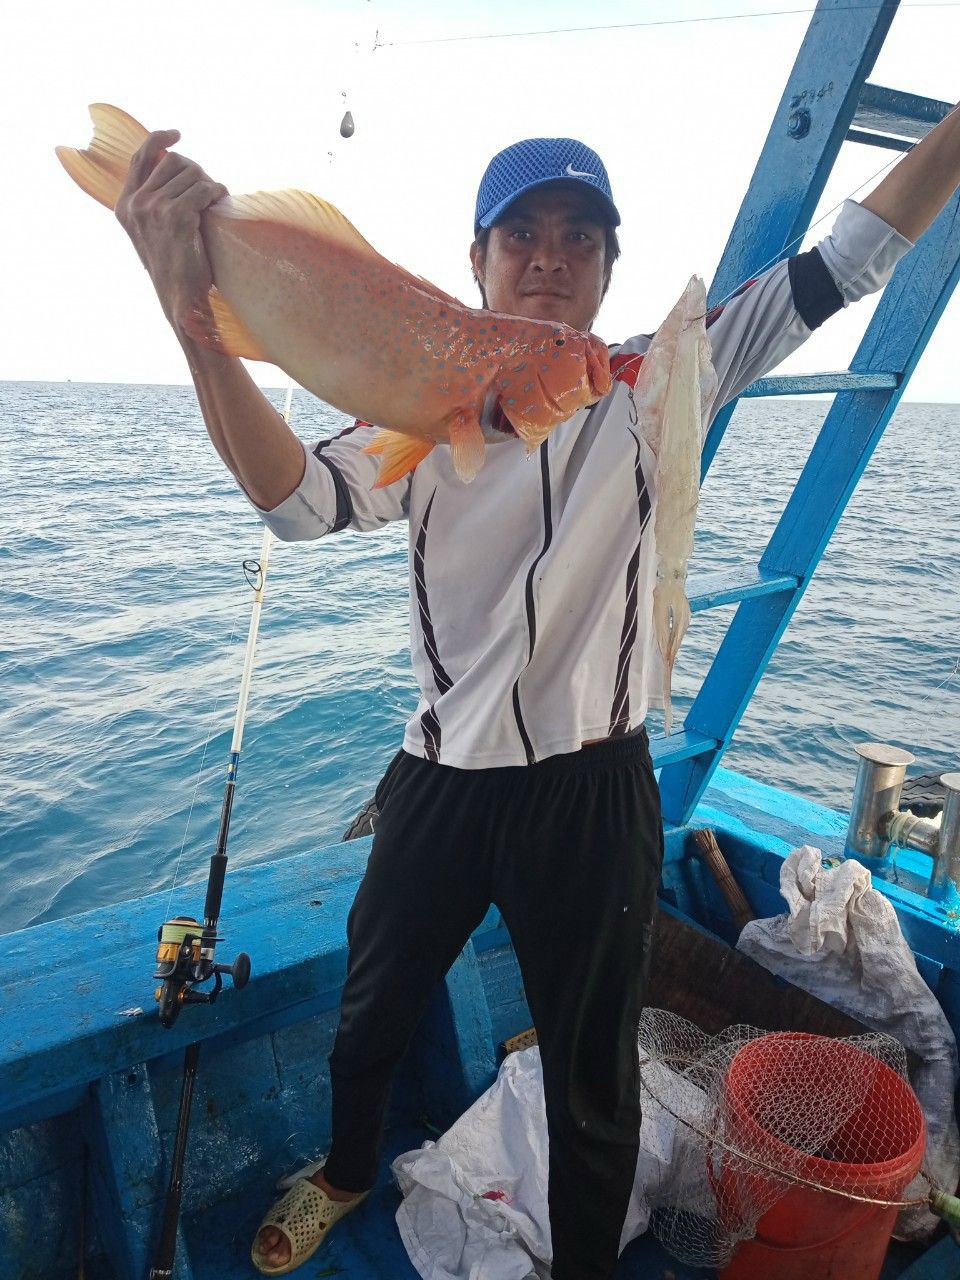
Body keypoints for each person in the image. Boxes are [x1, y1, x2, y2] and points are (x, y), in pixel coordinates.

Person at [117, 110, 960, 1278]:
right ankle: (348, 1169)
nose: (551, 256)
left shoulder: (658, 379)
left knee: (592, 1070)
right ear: (478, 260)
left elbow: (849, 258)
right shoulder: (420, 396)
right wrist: (196, 327)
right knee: (372, 1007)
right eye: (522, 234)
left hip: (592, 787)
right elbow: (298, 501)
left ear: (610, 265)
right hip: (441, 780)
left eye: (580, 236)